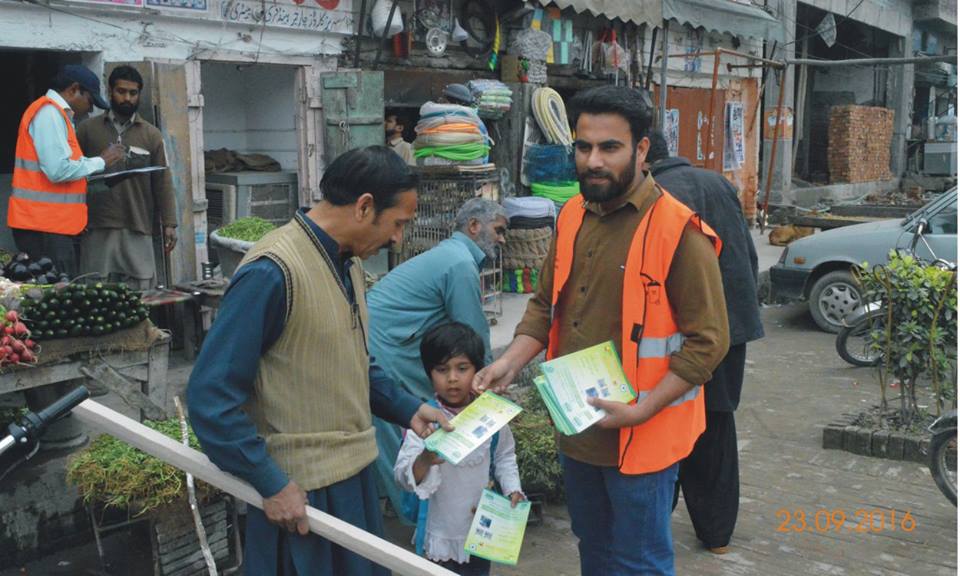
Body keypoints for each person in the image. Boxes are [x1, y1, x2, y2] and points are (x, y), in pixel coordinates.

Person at [472, 86, 730, 576]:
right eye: (583, 146)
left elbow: (708, 343)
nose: (593, 160)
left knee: (640, 562)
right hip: (579, 429)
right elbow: (546, 306)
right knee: (593, 546)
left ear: (642, 150)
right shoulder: (571, 215)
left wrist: (640, 410)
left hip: (643, 436)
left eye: (609, 148)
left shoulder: (679, 231)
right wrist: (507, 363)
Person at [187, 146, 452, 576]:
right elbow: (209, 397)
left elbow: (343, 360)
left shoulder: (346, 263)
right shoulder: (272, 272)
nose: (397, 239)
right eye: (398, 223)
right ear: (365, 207)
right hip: (302, 493)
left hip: (352, 478)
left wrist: (408, 408)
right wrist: (271, 483)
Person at [645, 130, 764, 555]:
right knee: (716, 426)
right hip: (732, 328)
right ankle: (716, 537)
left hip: (683, 337)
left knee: (667, 428)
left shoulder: (654, 194)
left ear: (642, 155)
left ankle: (653, 525)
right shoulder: (716, 182)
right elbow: (747, 255)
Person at [367, 198, 506, 522]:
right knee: (399, 430)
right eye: (498, 230)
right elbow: (472, 332)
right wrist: (486, 381)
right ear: (474, 226)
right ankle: (415, 520)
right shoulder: (459, 262)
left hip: (389, 339)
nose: (502, 239)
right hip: (384, 346)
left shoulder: (452, 256)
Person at [395, 322, 523, 576]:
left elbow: (505, 456)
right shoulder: (424, 421)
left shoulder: (491, 415)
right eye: (442, 369)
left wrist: (513, 490)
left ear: (477, 370)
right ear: (429, 373)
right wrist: (425, 459)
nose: (452, 378)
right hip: (439, 536)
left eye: (462, 368)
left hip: (481, 530)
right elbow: (402, 477)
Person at [9, 65, 125, 276]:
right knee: (57, 292)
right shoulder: (49, 114)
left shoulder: (54, 114)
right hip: (44, 228)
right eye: (90, 101)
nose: (90, 110)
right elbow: (58, 170)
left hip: (48, 226)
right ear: (74, 89)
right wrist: (101, 161)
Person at [77, 65, 178, 289]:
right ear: (110, 91)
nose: (127, 98)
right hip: (98, 225)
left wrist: (169, 223)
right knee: (95, 290)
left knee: (140, 292)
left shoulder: (151, 134)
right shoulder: (87, 130)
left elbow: (162, 180)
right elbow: (73, 175)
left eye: (133, 93)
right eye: (121, 91)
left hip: (138, 223)